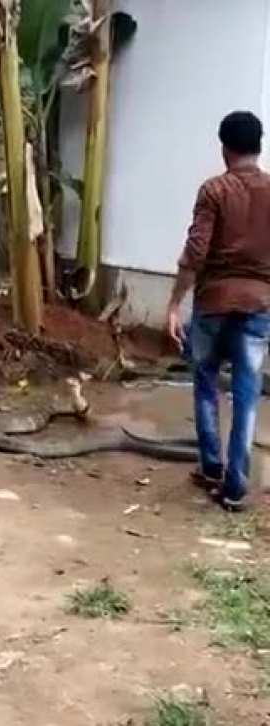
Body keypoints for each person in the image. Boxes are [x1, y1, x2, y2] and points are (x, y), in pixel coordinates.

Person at [166, 111, 270, 511]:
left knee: (207, 381)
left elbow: (196, 253)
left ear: (225, 148)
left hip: (213, 304)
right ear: (258, 146)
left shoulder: (214, 191)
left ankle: (212, 466)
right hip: (259, 306)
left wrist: (175, 303)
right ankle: (236, 488)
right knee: (246, 393)